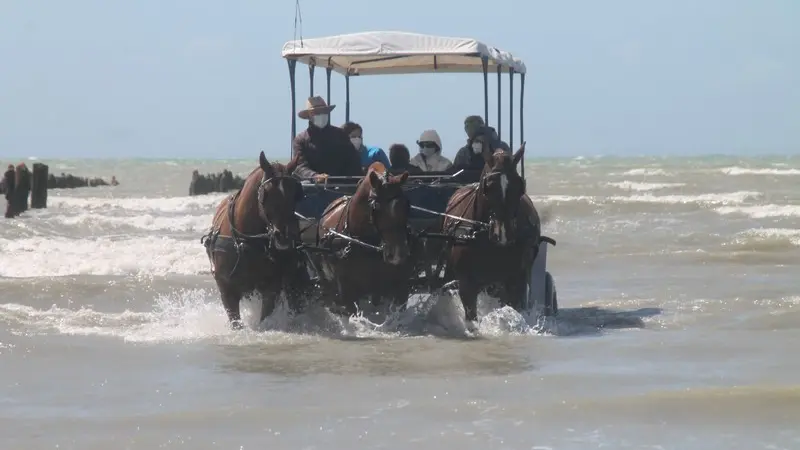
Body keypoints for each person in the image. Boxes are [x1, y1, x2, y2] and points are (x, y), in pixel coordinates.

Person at [292, 96, 363, 182]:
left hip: (342, 186)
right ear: (309, 116)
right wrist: (315, 176)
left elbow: (353, 160)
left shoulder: (340, 134)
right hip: (313, 188)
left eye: (324, 111)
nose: (321, 114)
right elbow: (300, 167)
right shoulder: (300, 139)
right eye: (316, 112)